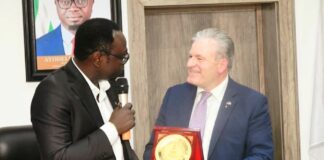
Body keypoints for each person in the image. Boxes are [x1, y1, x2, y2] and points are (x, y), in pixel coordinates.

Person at [143, 28, 273, 160]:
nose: (190, 64)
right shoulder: (175, 96)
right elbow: (152, 149)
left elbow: (262, 155)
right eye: (190, 57)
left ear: (221, 65)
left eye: (199, 59)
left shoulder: (251, 103)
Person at [31, 18, 138, 160]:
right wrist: (113, 128)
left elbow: (122, 148)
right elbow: (59, 157)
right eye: (122, 57)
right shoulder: (52, 92)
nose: (124, 63)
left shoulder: (110, 85)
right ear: (98, 58)